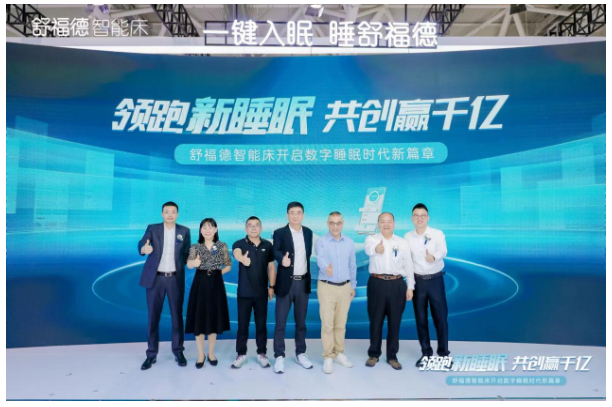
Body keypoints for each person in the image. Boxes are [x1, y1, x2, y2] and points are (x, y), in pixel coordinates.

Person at [138, 201, 191, 370]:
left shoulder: (184, 231)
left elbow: (186, 253)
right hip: (156, 280)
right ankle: (151, 354)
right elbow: (142, 243)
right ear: (162, 214)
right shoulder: (153, 229)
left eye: (173, 212)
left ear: (177, 214)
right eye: (166, 212)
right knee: (153, 317)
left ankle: (178, 351)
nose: (170, 214)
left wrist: (186, 263)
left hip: (175, 279)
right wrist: (144, 249)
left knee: (177, 317)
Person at [363, 212, 414, 370]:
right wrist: (376, 249)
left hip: (397, 284)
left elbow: (408, 265)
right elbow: (368, 249)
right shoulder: (372, 239)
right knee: (375, 321)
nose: (386, 224)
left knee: (395, 322)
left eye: (389, 221)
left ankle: (392, 356)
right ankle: (374, 354)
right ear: (378, 224)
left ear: (394, 223)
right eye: (383, 221)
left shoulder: (402, 243)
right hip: (376, 283)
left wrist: (410, 286)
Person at [404, 203, 450, 368]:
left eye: (423, 215)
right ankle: (426, 354)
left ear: (428, 217)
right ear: (412, 218)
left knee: (441, 318)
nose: (420, 218)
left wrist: (434, 257)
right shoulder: (407, 237)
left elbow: (443, 250)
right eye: (416, 215)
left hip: (436, 280)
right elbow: (407, 262)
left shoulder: (437, 234)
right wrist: (409, 285)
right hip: (418, 283)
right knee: (421, 319)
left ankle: (443, 355)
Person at [272, 201, 314, 374]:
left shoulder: (308, 232)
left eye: (298, 212)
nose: (295, 216)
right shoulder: (279, 232)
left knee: (301, 322)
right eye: (292, 212)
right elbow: (275, 250)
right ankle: (279, 355)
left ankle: (300, 353)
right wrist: (282, 259)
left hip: (303, 283)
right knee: (280, 322)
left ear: (303, 215)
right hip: (285, 284)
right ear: (287, 215)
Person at [185, 218, 232, 369]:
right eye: (204, 227)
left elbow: (228, 265)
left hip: (216, 285)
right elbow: (189, 264)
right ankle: (201, 355)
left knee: (214, 318)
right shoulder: (195, 247)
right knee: (199, 318)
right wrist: (194, 263)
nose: (207, 230)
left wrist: (217, 274)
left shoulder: (222, 246)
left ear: (216, 229)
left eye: (210, 227)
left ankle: (211, 353)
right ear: (200, 230)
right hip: (200, 284)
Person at [231, 216, 277, 369]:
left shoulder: (268, 245)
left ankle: (262, 353)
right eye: (250, 225)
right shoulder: (239, 243)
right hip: (244, 293)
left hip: (261, 293)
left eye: (256, 225)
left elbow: (271, 267)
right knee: (242, 325)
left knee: (261, 325)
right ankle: (241, 354)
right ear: (246, 228)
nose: (253, 228)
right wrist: (242, 259)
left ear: (261, 228)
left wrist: (272, 287)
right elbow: (236, 252)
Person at [315, 211, 357, 374]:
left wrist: (352, 285)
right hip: (327, 286)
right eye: (332, 223)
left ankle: (339, 352)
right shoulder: (321, 241)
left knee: (340, 324)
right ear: (328, 224)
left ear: (342, 224)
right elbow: (320, 258)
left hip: (345, 287)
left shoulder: (349, 242)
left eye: (338, 223)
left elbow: (352, 265)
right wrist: (326, 268)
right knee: (327, 324)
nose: (335, 226)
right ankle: (328, 356)